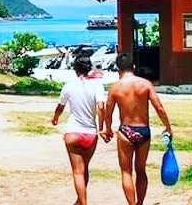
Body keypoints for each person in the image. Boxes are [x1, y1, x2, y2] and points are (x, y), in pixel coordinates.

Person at [104, 52, 173, 205]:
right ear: (133, 67)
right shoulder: (145, 84)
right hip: (143, 130)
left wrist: (107, 129)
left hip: (125, 131)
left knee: (126, 171)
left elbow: (108, 113)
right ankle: (140, 203)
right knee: (141, 170)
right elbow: (159, 108)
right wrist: (168, 127)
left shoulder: (115, 88)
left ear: (118, 69)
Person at [52, 55, 105, 205]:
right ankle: (80, 201)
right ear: (89, 69)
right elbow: (101, 107)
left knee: (77, 171)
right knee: (84, 169)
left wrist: (55, 118)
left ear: (75, 69)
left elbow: (60, 106)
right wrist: (101, 128)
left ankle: (83, 203)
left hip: (73, 132)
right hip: (90, 133)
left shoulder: (69, 85)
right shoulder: (97, 85)